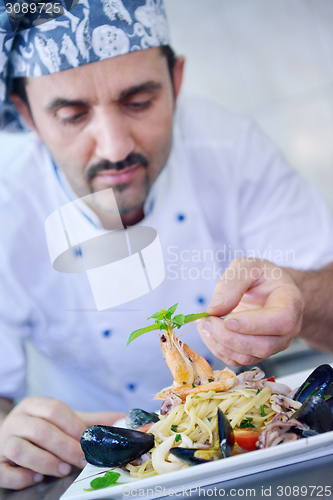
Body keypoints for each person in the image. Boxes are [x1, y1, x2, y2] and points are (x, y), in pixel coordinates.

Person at [0, 0, 333, 490]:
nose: (114, 147)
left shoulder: (231, 148)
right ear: (27, 113)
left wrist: (301, 298)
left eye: (139, 102)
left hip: (258, 457)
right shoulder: (8, 209)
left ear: (176, 81)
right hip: (95, 473)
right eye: (72, 114)